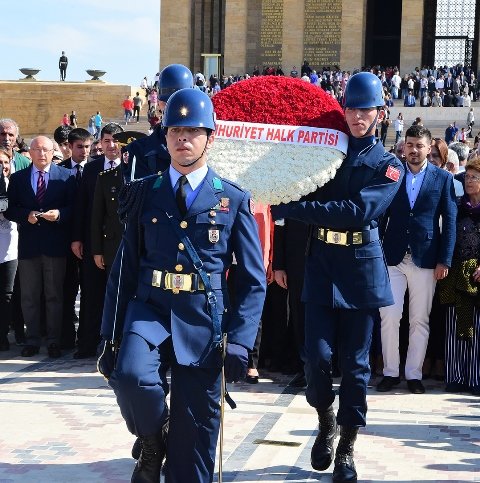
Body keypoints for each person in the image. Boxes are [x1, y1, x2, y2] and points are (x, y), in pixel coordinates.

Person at [98, 88, 266, 482]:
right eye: (175, 130)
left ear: (211, 136)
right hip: (150, 309)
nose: (182, 138)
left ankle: (175, 447)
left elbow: (252, 278)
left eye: (192, 131)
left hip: (202, 320)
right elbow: (125, 268)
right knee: (132, 377)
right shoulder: (145, 192)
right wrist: (109, 333)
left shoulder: (233, 199)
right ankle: (154, 442)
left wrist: (241, 339)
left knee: (194, 451)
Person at [270, 72, 404, 483]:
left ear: (380, 113)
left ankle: (346, 445)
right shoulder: (325, 153)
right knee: (317, 359)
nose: (358, 117)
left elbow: (356, 212)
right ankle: (325, 418)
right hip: (323, 264)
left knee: (356, 366)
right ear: (343, 111)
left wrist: (292, 207)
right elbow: (297, 181)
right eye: (352, 109)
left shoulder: (389, 166)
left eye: (366, 110)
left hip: (361, 271)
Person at [377, 125, 457, 395]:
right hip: (393, 256)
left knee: (420, 319)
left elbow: (450, 221)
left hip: (425, 258)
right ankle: (390, 372)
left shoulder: (442, 178)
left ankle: (413, 374)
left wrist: (444, 260)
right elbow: (380, 215)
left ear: (428, 147)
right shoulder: (392, 173)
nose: (413, 150)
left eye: (419, 146)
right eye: (409, 145)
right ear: (404, 146)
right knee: (389, 315)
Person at [5, 136, 76, 358]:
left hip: (56, 246)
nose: (41, 154)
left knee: (54, 295)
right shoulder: (18, 178)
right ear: (31, 152)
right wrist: (26, 216)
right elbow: (9, 209)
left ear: (52, 152)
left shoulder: (66, 177)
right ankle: (33, 339)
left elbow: (74, 207)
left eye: (46, 150)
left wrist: (60, 215)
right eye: (37, 149)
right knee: (29, 295)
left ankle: (54, 340)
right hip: (29, 247)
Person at [71, 123, 123, 359]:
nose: (111, 145)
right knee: (91, 294)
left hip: (122, 246)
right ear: (100, 143)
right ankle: (87, 343)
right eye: (106, 140)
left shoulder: (134, 169)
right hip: (94, 244)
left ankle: (116, 343)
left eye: (115, 140)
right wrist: (77, 238)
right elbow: (82, 207)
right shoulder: (91, 170)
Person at [439, 157, 480, 396]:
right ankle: (455, 376)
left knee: (476, 327)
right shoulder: (456, 205)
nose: (469, 181)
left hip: (476, 275)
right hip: (455, 273)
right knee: (454, 325)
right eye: (467, 177)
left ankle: (475, 377)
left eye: (475, 177)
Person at [123, 64, 194, 181]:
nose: (174, 110)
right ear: (160, 103)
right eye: (169, 103)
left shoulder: (208, 146)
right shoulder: (136, 152)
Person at [58, 128, 93, 350]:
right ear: (70, 147)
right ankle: (66, 337)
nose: (84, 151)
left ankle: (88, 338)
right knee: (66, 290)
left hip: (89, 243)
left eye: (88, 146)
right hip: (64, 241)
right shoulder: (59, 171)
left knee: (89, 292)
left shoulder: (96, 169)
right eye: (79, 147)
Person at [0, 147, 18, 351]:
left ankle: (3, 335)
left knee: (7, 293)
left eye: (5, 162)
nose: (2, 167)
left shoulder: (16, 183)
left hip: (11, 246)